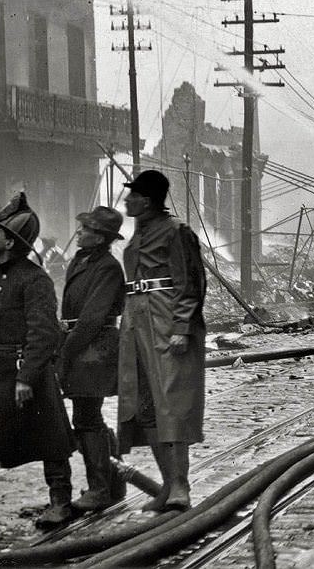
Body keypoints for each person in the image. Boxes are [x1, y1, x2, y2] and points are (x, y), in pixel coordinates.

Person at [0, 193, 76, 528]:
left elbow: (42, 334)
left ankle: (60, 502)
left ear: (9, 241)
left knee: (51, 437)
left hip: (19, 372)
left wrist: (26, 378)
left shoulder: (35, 279)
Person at [119, 170, 206, 512]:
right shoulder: (138, 235)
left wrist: (182, 328)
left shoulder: (176, 233)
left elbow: (190, 283)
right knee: (146, 406)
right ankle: (166, 485)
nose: (127, 200)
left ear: (148, 200)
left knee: (173, 404)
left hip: (165, 322)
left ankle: (181, 485)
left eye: (133, 195)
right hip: (136, 324)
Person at [59, 206, 127, 512]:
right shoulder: (81, 260)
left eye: (86, 229)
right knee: (88, 417)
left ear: (100, 238)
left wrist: (66, 351)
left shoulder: (108, 267)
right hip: (82, 347)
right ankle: (111, 483)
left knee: (87, 418)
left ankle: (100, 489)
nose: (80, 232)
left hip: (94, 350)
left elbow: (91, 319)